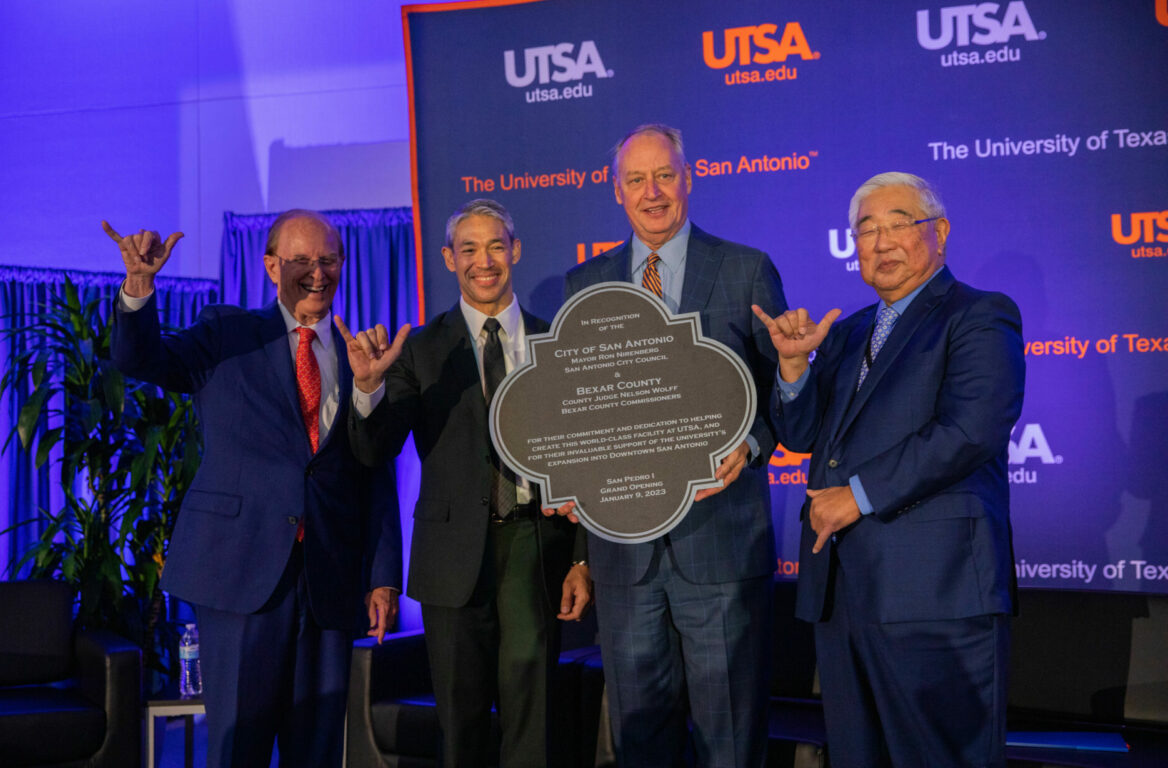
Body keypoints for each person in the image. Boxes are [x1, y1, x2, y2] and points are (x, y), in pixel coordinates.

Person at [105, 210, 403, 768]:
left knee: (316, 752)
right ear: (271, 266)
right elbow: (140, 359)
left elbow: (374, 471)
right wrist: (140, 287)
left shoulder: (358, 354)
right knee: (238, 748)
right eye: (302, 261)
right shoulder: (228, 333)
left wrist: (384, 577)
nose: (318, 273)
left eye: (329, 260)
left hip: (328, 583)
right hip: (240, 574)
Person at [755, 172, 1025, 767]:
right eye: (866, 229)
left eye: (898, 223)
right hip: (843, 596)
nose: (880, 241)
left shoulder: (979, 315)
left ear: (940, 233)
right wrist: (794, 370)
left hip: (937, 593)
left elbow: (969, 430)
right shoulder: (849, 332)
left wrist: (857, 495)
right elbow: (802, 437)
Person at [559, 124, 787, 767]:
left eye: (664, 176)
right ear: (616, 193)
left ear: (689, 179)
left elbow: (785, 399)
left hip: (719, 546)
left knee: (731, 742)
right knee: (640, 744)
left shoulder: (745, 269)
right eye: (636, 180)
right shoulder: (586, 284)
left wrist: (751, 439)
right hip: (625, 560)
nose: (652, 192)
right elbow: (578, 418)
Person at [338, 198, 592, 768]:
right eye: (470, 249)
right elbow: (373, 448)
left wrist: (581, 558)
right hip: (451, 560)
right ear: (449, 259)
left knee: (535, 723)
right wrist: (367, 389)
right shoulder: (422, 350)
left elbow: (585, 461)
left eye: (496, 246)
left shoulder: (559, 342)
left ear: (516, 251)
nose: (485, 261)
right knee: (462, 726)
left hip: (537, 546)